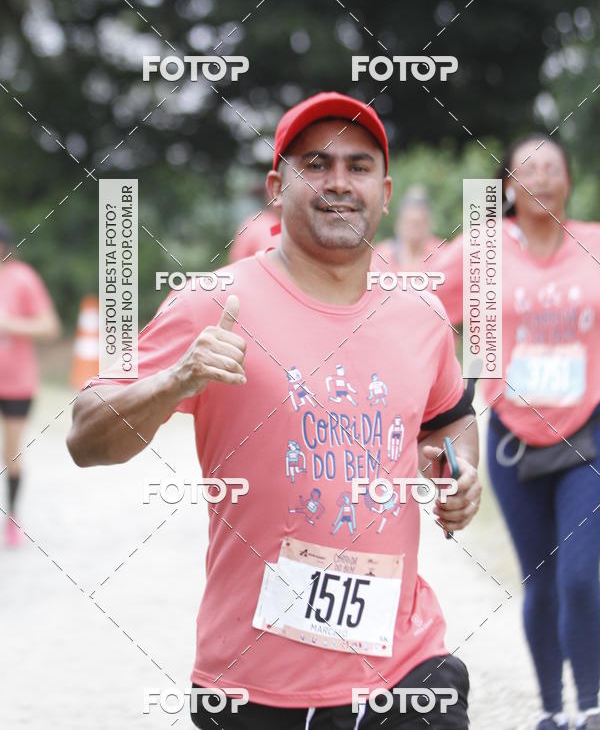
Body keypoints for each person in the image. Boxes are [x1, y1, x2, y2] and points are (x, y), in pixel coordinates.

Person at [68, 91, 481, 729]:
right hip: (250, 688)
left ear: (386, 190)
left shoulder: (420, 314)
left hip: (404, 669)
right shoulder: (212, 303)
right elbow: (85, 438)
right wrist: (176, 380)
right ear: (274, 186)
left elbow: (449, 416)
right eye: (314, 164)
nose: (339, 182)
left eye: (358, 165)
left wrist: (457, 471)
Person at [433, 134, 600, 730]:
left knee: (583, 576)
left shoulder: (594, 243)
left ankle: (591, 705)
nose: (544, 177)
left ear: (570, 181)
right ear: (507, 186)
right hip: (511, 435)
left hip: (589, 435)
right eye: (529, 168)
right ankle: (553, 711)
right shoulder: (483, 250)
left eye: (554, 167)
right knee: (542, 580)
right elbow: (417, 297)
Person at [0, 220, 61, 546]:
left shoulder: (22, 278)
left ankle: (12, 515)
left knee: (10, 452)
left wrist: (10, 324)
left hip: (16, 383)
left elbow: (49, 327)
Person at [372, 186, 440, 271]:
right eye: (410, 223)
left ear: (428, 225)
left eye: (419, 224)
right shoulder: (382, 254)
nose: (414, 232)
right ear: (399, 224)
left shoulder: (441, 254)